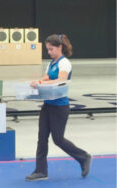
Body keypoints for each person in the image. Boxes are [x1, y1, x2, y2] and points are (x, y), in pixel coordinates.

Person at [25, 34, 91, 181]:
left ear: (60, 47)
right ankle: (41, 171)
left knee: (58, 139)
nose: (49, 52)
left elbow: (60, 80)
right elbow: (47, 78)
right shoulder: (51, 63)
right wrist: (37, 81)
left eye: (51, 49)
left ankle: (83, 157)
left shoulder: (65, 63)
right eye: (48, 49)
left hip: (60, 107)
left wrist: (41, 84)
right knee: (42, 138)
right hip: (48, 105)